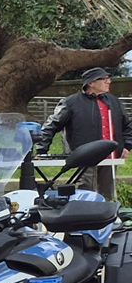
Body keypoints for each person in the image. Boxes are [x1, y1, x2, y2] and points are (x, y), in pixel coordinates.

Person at [37, 66, 129, 194]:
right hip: (84, 156)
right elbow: (51, 125)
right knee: (86, 191)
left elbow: (127, 125)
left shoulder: (114, 102)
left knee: (107, 193)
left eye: (108, 78)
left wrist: (127, 146)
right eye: (104, 79)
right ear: (91, 83)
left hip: (110, 155)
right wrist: (41, 150)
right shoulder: (71, 103)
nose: (109, 81)